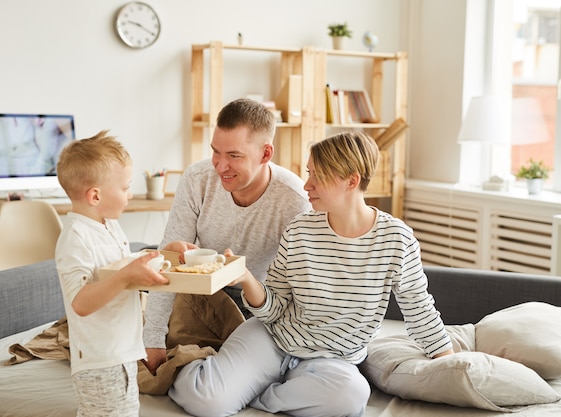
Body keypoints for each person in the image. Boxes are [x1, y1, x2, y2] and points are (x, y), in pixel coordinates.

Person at [168, 131, 455, 417]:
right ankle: (204, 370)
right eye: (308, 173)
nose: (307, 185)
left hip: (334, 359)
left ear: (351, 181)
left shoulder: (396, 240)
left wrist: (449, 363)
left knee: (351, 396)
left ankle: (256, 394)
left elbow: (419, 309)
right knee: (204, 401)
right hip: (271, 338)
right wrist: (245, 277)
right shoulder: (300, 229)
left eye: (317, 175)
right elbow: (274, 307)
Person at [142, 98, 312, 375]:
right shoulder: (197, 178)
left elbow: (299, 291)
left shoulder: (293, 199)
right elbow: (167, 262)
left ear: (266, 154)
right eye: (215, 152)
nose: (221, 166)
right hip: (199, 300)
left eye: (234, 156)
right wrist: (153, 340)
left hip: (258, 308)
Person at [55, 131, 169, 417]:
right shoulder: (75, 238)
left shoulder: (108, 225)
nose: (130, 194)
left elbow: (117, 265)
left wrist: (163, 253)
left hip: (122, 352)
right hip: (100, 360)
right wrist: (124, 276)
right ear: (95, 195)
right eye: (126, 187)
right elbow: (80, 302)